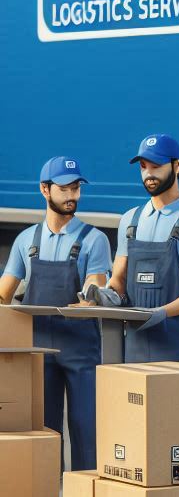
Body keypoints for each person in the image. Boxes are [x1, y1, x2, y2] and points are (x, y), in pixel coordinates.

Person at [0, 157, 111, 469]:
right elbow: (4, 293)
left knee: (86, 429)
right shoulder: (27, 241)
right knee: (44, 433)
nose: (72, 195)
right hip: (40, 352)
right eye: (64, 189)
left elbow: (95, 286)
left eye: (76, 188)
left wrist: (91, 298)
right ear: (45, 190)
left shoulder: (94, 240)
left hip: (81, 350)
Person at [83, 134, 179, 361]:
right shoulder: (130, 221)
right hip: (133, 349)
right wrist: (101, 295)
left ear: (177, 166)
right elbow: (119, 281)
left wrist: (162, 312)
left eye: (156, 166)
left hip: (176, 350)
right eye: (143, 167)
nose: (148, 174)